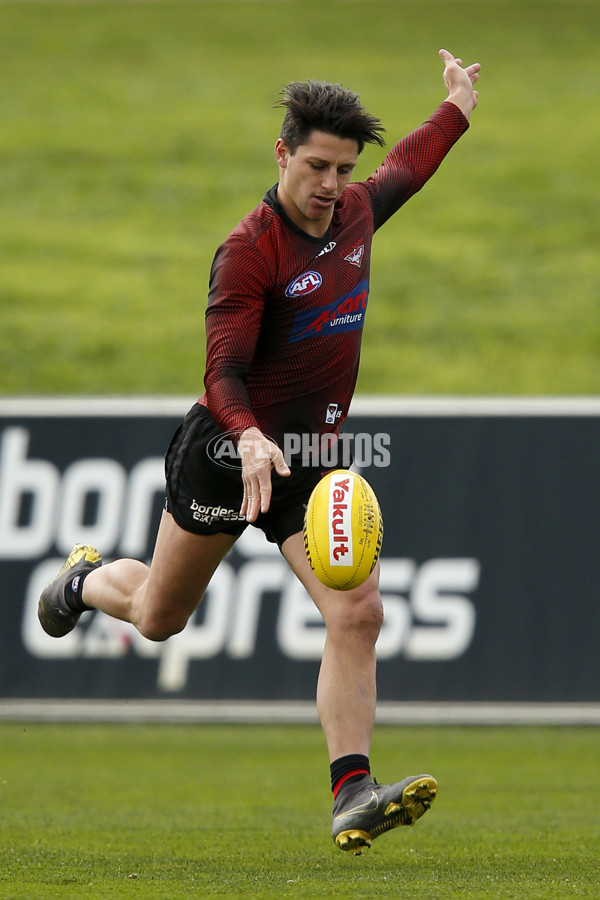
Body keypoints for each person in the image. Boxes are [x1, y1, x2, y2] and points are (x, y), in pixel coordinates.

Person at [39, 49, 480, 855]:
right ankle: (80, 580)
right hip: (221, 451)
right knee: (158, 617)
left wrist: (456, 107)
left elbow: (409, 169)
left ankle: (352, 792)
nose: (331, 183)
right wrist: (245, 441)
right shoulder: (249, 250)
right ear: (282, 153)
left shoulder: (354, 213)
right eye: (316, 164)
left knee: (359, 609)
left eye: (344, 168)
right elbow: (222, 372)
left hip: (308, 459)